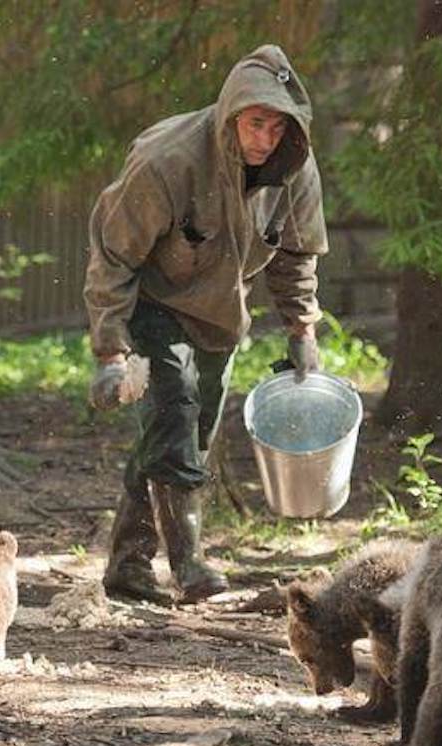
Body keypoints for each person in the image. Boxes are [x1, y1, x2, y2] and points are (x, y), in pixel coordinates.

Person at [84, 44, 326, 605]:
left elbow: (295, 255)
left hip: (220, 312)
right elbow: (114, 256)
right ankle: (188, 564)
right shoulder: (168, 161)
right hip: (151, 300)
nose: (266, 138)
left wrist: (302, 331)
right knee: (174, 409)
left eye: (278, 127)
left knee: (186, 435)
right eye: (256, 122)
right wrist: (110, 355)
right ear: (231, 114)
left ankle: (127, 564)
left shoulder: (295, 169)